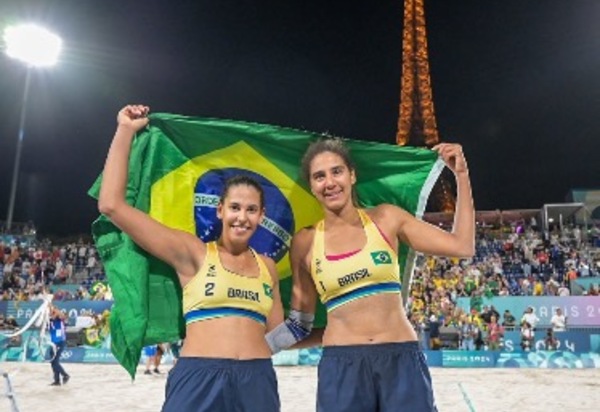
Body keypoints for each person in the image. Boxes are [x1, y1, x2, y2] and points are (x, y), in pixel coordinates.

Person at [266, 138, 474, 411]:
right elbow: (299, 326)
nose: (329, 182)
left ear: (352, 175)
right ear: (311, 187)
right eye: (319, 176)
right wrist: (259, 346)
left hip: (400, 359)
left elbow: (462, 245)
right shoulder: (305, 243)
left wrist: (461, 175)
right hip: (342, 366)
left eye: (337, 171)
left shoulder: (386, 219)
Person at [98, 105, 284, 412]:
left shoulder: (268, 267)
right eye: (235, 207)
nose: (242, 217)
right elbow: (112, 205)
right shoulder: (193, 253)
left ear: (262, 216)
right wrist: (125, 131)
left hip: (258, 380)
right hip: (199, 378)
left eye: (252, 210)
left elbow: (279, 337)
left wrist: (347, 333)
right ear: (220, 209)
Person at [48, 305, 70, 386]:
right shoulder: (49, 320)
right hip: (53, 343)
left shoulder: (61, 319)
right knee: (52, 362)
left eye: (53, 312)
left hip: (60, 342)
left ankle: (65, 375)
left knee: (55, 361)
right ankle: (57, 380)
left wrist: (55, 309)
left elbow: (62, 316)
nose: (52, 313)